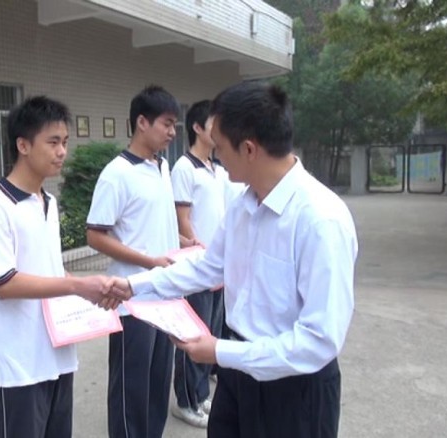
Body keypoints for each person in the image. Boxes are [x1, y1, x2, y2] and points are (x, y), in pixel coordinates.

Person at [111, 81, 358, 438]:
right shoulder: (244, 205)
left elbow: (319, 341)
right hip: (237, 377)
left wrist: (220, 352)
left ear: (249, 149)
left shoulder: (321, 220)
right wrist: (131, 286)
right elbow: (208, 267)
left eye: (220, 146)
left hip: (295, 391)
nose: (216, 155)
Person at [0, 96, 115, 438]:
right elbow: (4, 284)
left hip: (57, 353)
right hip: (17, 366)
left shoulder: (47, 202)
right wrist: (76, 286)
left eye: (65, 142)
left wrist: (88, 288)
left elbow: (49, 269)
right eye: (53, 142)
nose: (62, 152)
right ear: (23, 145)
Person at [85, 85, 181, 438]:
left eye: (175, 125)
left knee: (157, 386)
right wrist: (149, 260)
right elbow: (95, 235)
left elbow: (155, 222)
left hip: (167, 296)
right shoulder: (117, 174)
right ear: (142, 122)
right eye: (166, 124)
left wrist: (185, 243)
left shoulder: (163, 167)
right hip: (132, 299)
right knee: (130, 390)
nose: (172, 132)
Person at [169, 100, 232, 428]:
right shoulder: (184, 167)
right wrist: (197, 254)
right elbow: (184, 220)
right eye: (213, 125)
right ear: (196, 127)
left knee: (211, 332)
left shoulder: (217, 169)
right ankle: (186, 401)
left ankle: (200, 394)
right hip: (198, 267)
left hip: (219, 266)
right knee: (192, 336)